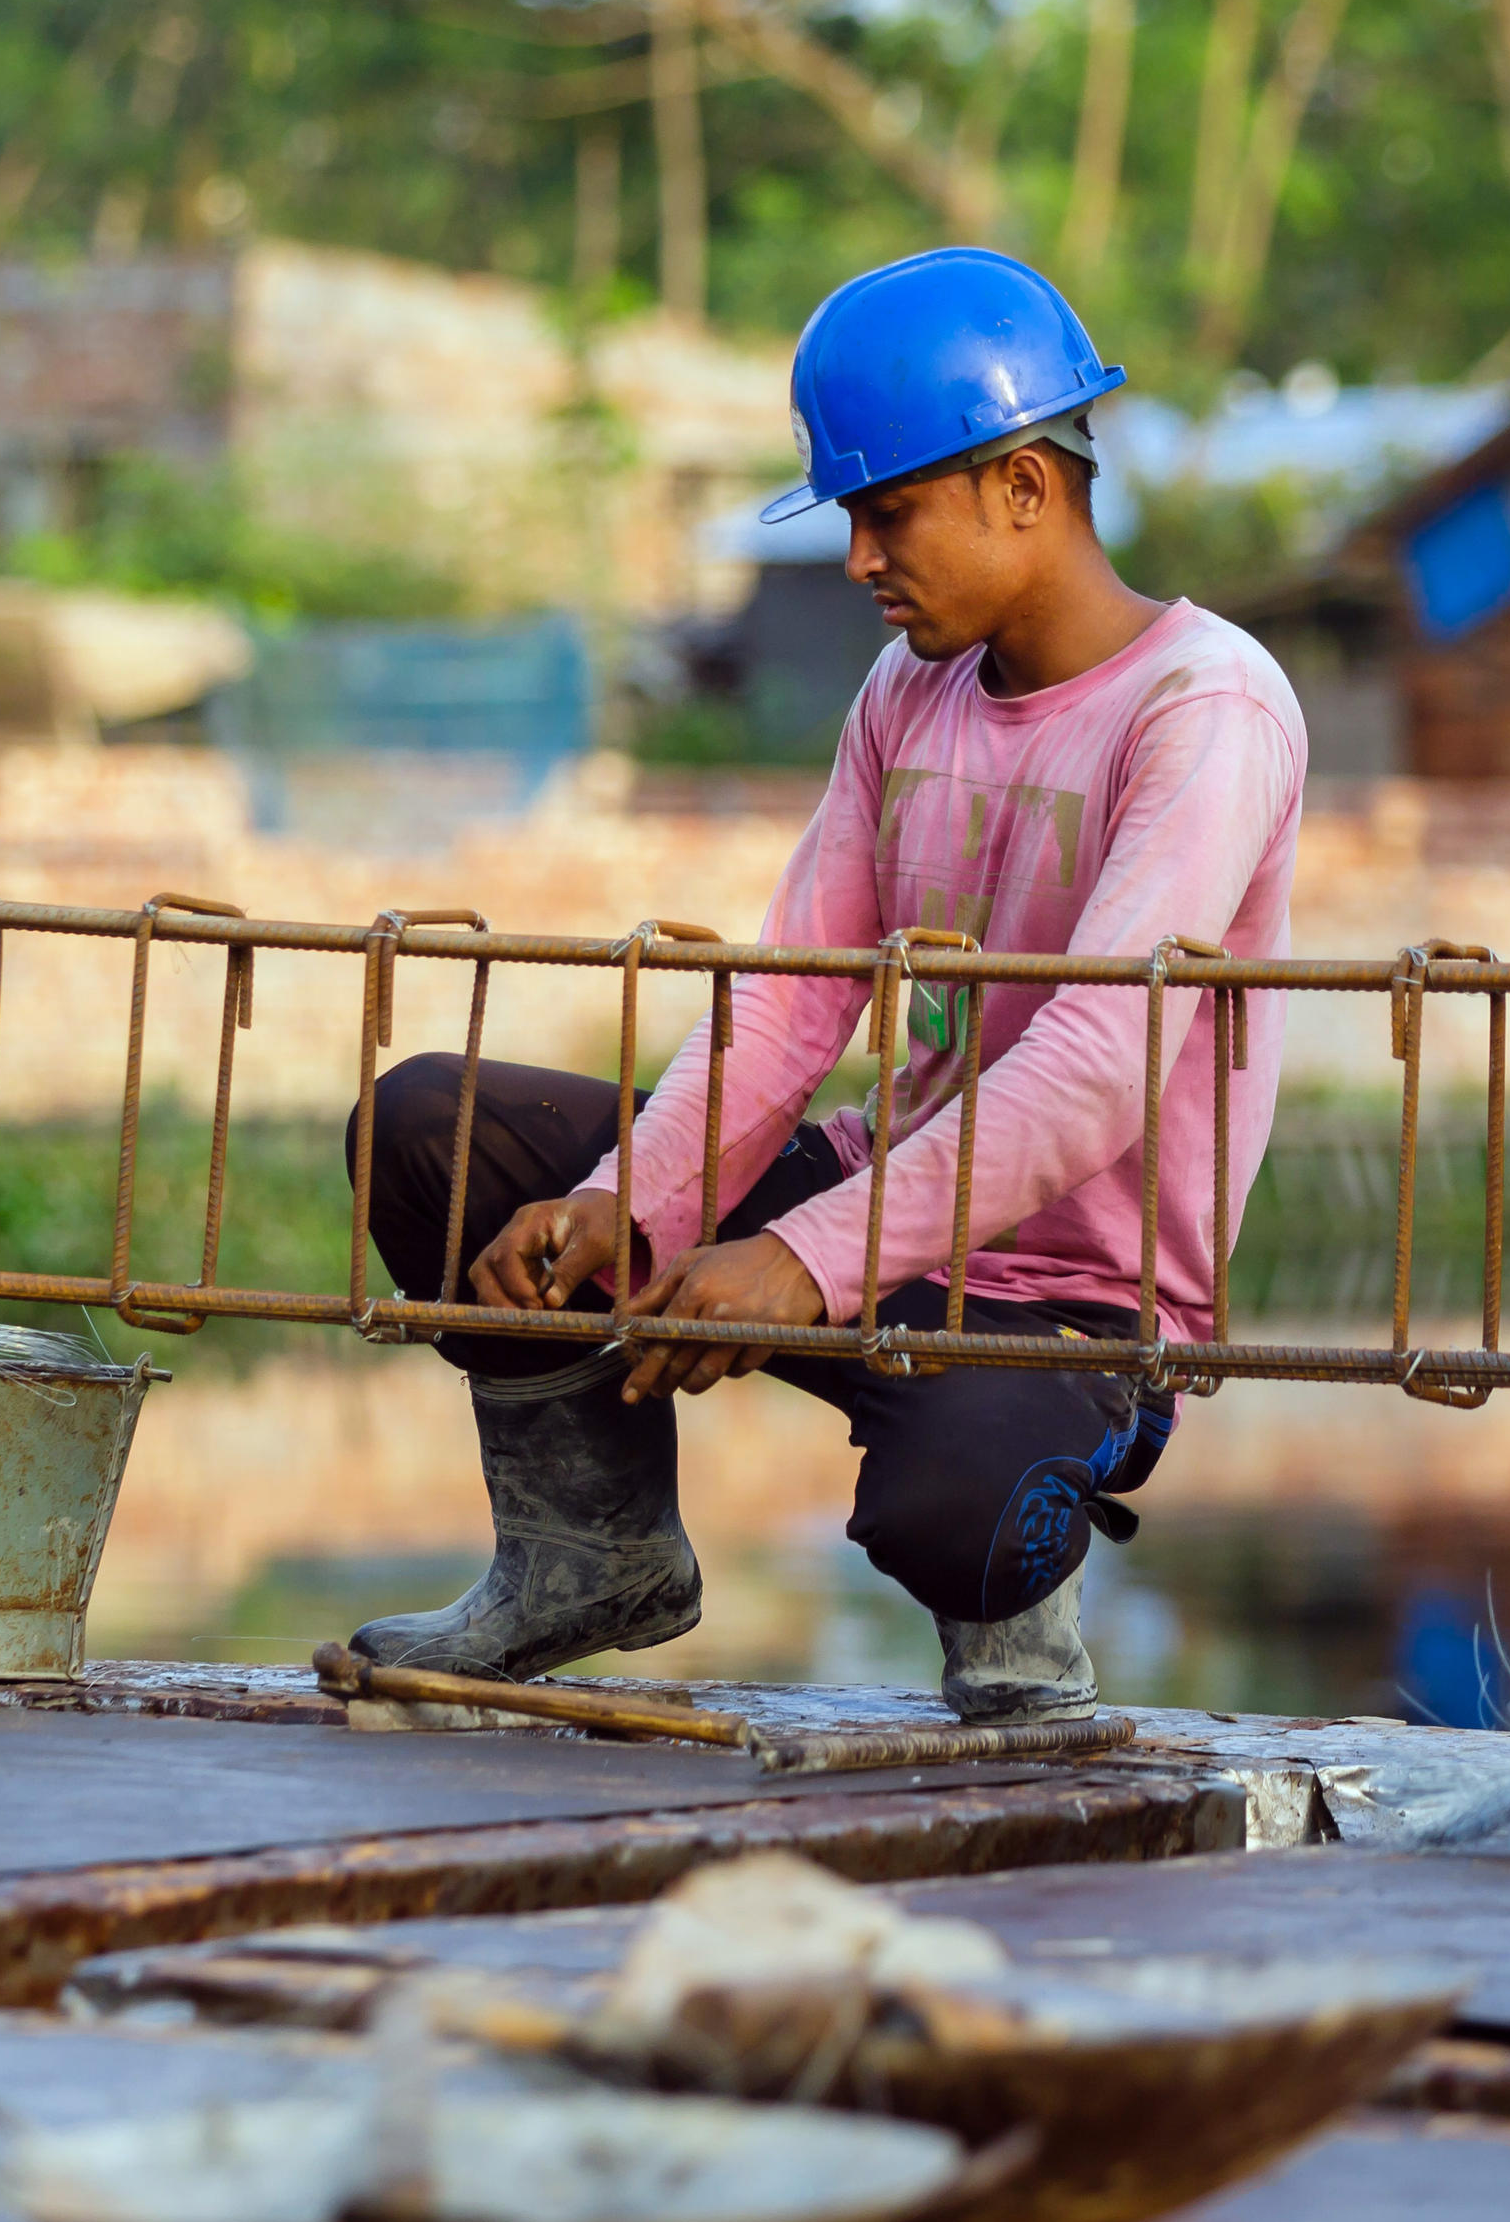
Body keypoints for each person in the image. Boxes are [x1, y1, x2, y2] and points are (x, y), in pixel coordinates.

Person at [343, 249, 1306, 1721]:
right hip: (882, 1210)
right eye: (854, 515)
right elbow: (796, 997)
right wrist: (631, 1199)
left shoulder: (1205, 708)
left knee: (955, 1510)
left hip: (1073, 1310)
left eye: (889, 509)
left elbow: (1100, 1063)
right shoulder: (905, 690)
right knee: (434, 1127)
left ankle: (1021, 1647)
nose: (860, 556)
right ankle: (591, 1561)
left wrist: (799, 1262)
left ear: (1025, 488)